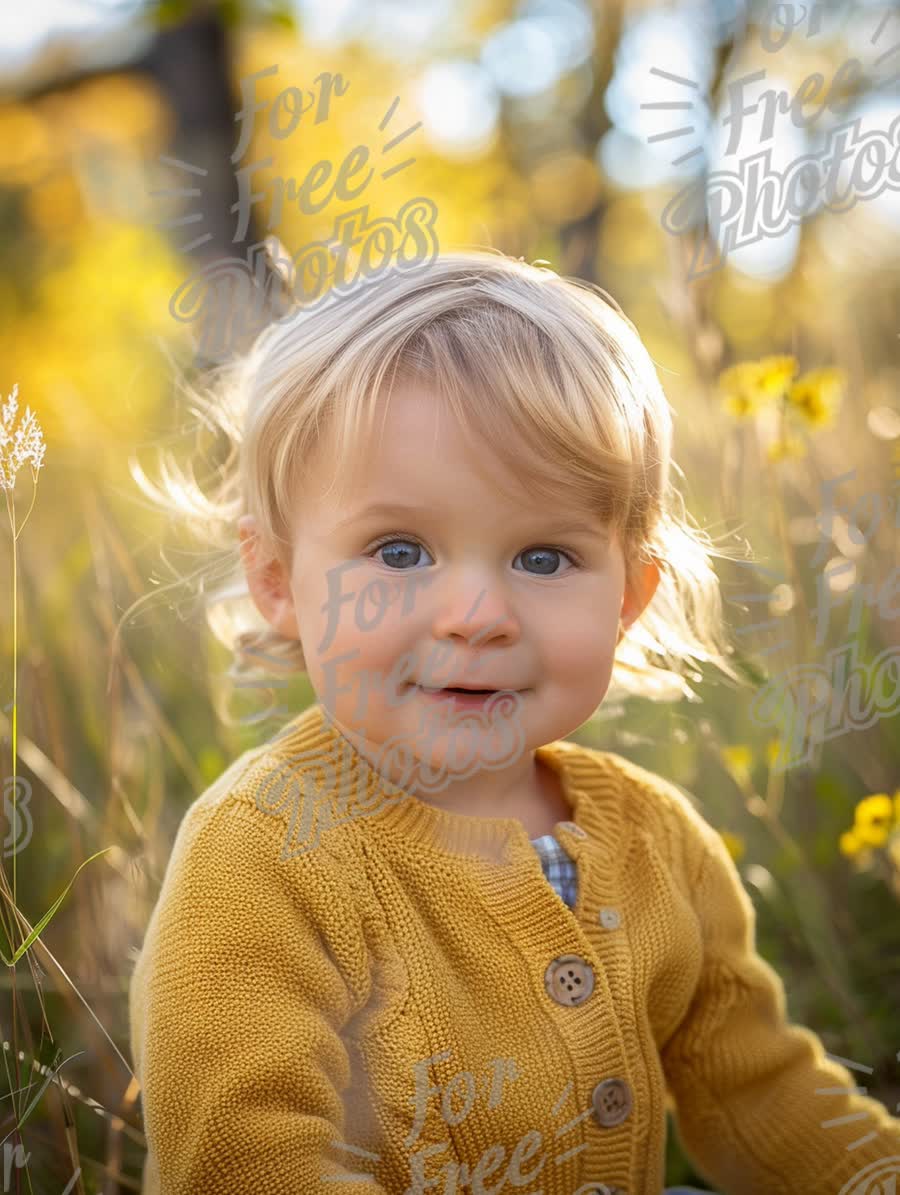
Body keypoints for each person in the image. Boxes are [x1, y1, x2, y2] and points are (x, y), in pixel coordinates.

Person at [127, 250, 900, 1195]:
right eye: (399, 549)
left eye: (543, 556)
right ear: (278, 578)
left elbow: (765, 1095)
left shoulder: (659, 841)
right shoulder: (263, 853)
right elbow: (243, 1158)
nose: (476, 613)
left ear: (630, 592)